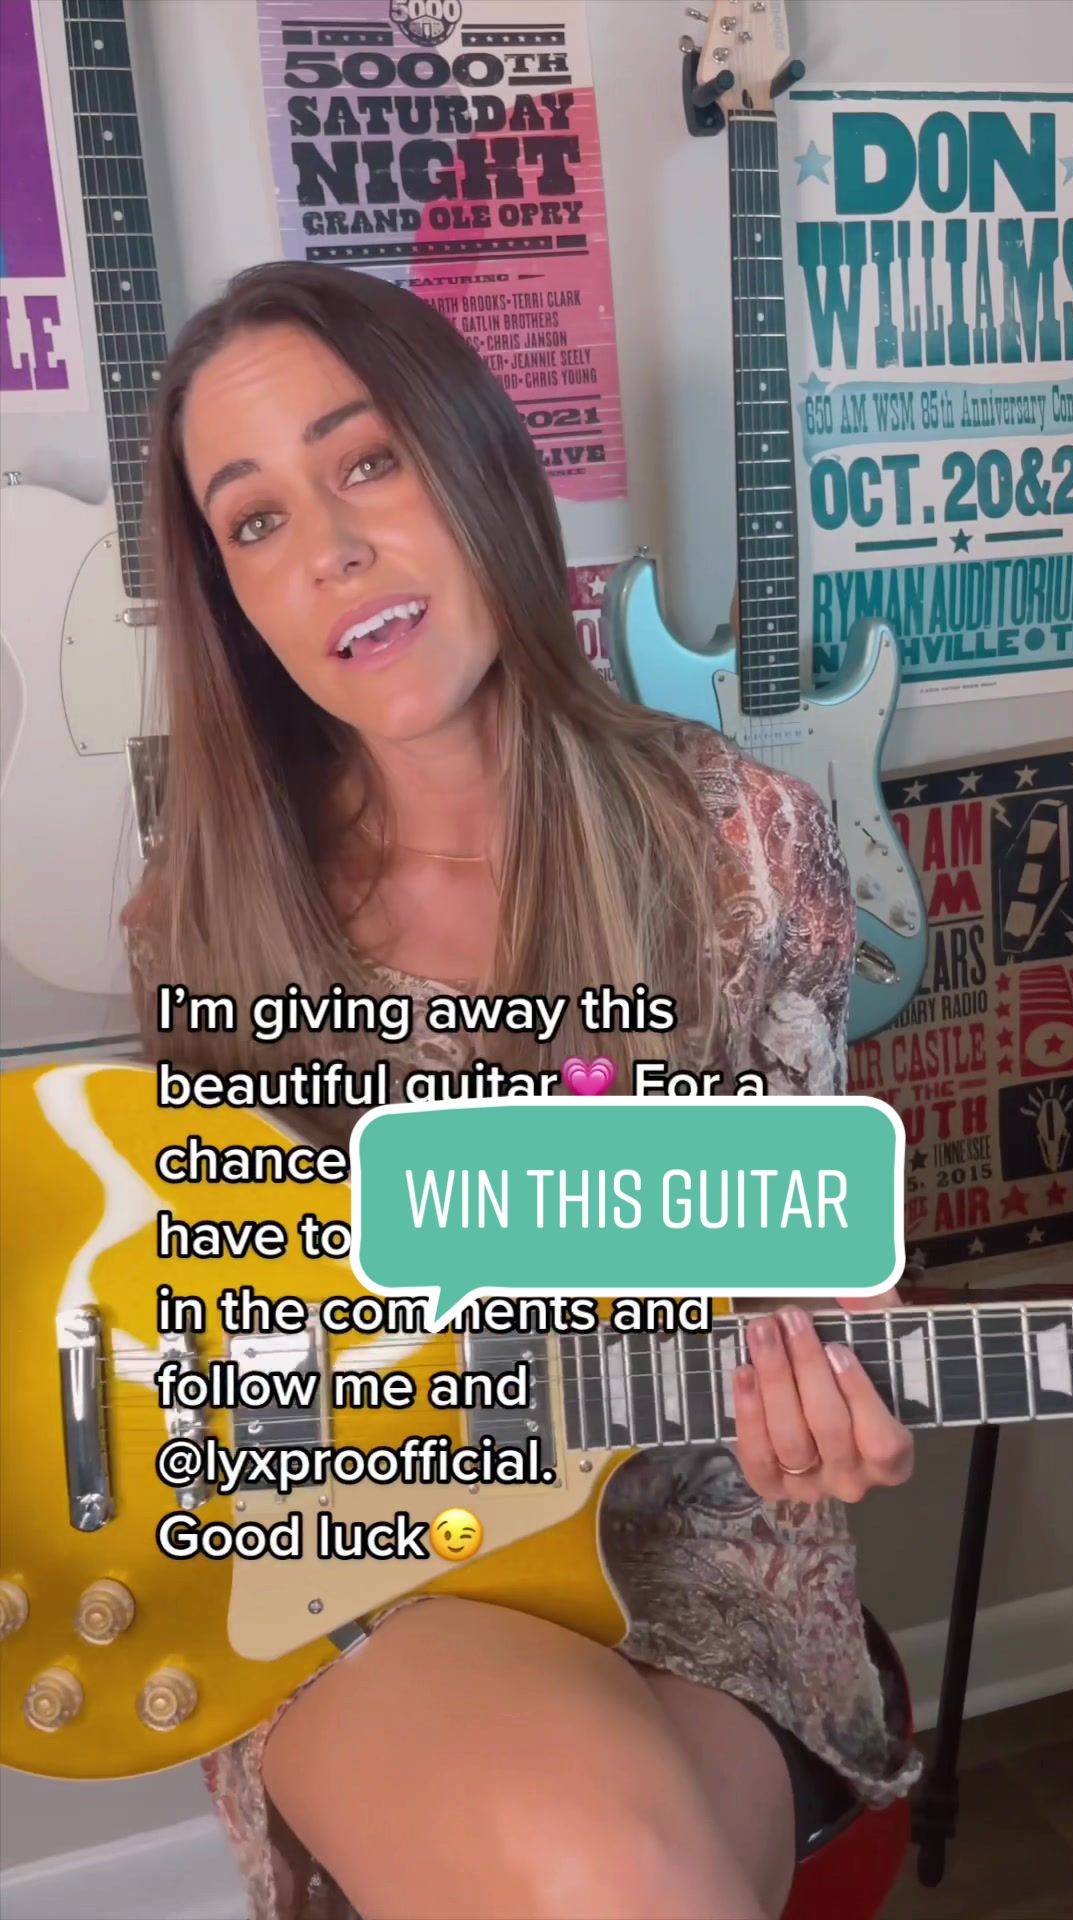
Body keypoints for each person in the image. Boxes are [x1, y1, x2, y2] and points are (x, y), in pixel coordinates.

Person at [122, 260, 922, 1920]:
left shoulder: (748, 844)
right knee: (605, 1867)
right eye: (255, 520)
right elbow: (203, 1319)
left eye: (366, 460)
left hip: (694, 1562)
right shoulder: (201, 924)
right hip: (360, 1580)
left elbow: (800, 1271)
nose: (330, 549)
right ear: (233, 598)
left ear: (478, 460)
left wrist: (827, 1394)